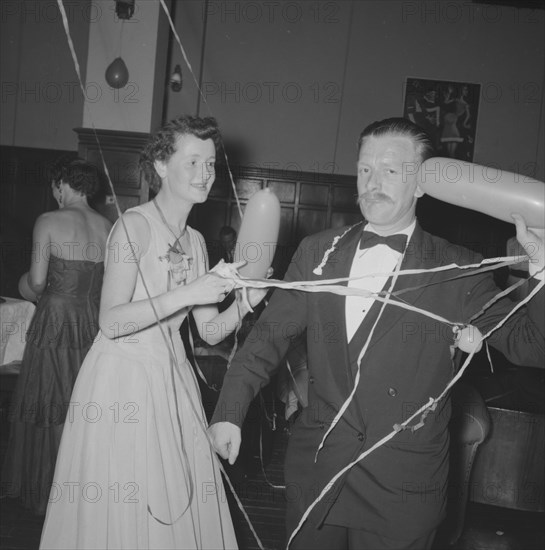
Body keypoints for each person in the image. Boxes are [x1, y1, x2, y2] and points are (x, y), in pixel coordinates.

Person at [208, 118, 544, 549]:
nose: (373, 182)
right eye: (365, 169)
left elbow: (533, 347)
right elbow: (266, 340)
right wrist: (228, 412)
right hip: (319, 475)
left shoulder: (459, 267)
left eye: (391, 170)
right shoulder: (317, 251)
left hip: (402, 490)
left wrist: (540, 268)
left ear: (422, 184)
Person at [39, 116, 267, 549]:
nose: (205, 174)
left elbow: (210, 332)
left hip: (171, 380)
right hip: (122, 378)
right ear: (161, 165)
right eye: (193, 161)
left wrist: (246, 301)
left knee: (172, 494)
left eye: (211, 164)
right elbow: (111, 321)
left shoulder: (197, 242)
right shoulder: (133, 227)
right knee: (125, 498)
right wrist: (189, 293)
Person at [1, 158, 112, 515]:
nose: (54, 192)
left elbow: (35, 283)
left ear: (62, 184)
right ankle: (79, 493)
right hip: (91, 323)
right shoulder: (107, 226)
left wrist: (23, 284)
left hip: (55, 322)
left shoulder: (48, 221)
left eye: (54, 186)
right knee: (79, 403)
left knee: (47, 398)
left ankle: (44, 492)